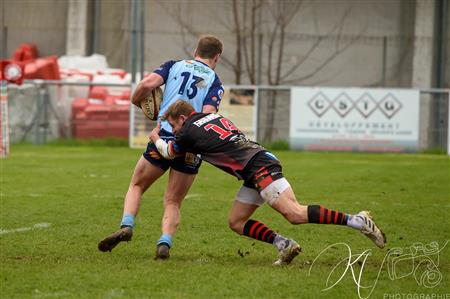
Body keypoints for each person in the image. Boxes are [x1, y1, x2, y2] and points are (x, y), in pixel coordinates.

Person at [149, 100, 387, 265]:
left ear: (182, 118)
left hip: (256, 165)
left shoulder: (187, 129)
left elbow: (169, 152)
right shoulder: (213, 116)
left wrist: (156, 137)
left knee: (294, 213)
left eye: (174, 125)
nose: (175, 130)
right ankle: (284, 244)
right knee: (236, 221)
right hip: (256, 161)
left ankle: (356, 220)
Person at [98, 35, 225, 260]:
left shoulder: (173, 65)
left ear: (196, 50)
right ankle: (164, 242)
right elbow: (208, 115)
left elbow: (147, 85)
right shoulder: (215, 81)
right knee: (173, 201)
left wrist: (137, 101)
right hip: (190, 146)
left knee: (137, 184)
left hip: (163, 135)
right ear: (217, 57)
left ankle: (127, 225)